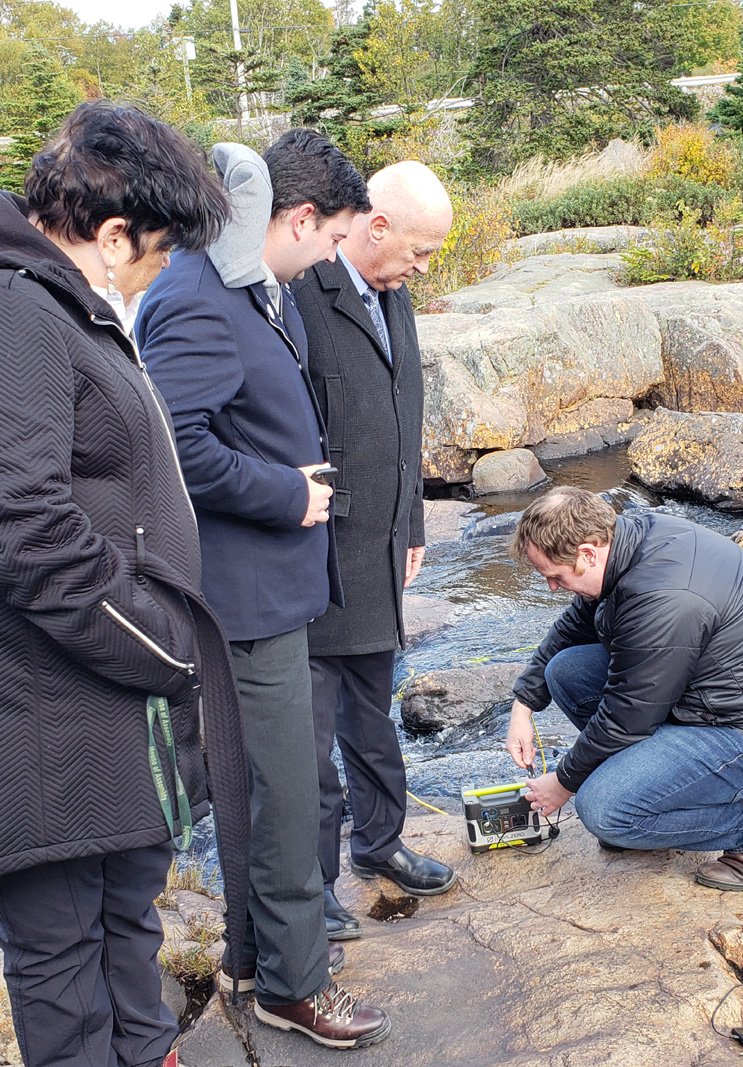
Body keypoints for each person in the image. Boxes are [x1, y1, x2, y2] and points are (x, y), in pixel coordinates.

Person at [0, 101, 251, 1067]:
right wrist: (160, 641)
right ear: (113, 236)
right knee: (63, 973)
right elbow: (21, 526)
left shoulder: (57, 305)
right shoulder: (21, 309)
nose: (159, 276)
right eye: (156, 255)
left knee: (127, 933)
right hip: (51, 731)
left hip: (109, 721)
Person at [137, 131, 391, 1049]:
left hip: (267, 596)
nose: (332, 259)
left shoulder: (240, 283)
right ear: (299, 217)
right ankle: (293, 985)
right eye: (330, 241)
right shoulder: (201, 297)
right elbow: (174, 445)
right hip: (238, 607)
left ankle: (258, 959)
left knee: (275, 787)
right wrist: (289, 492)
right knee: (284, 794)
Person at [292, 161, 455, 939]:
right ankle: (312, 885)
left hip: (385, 546)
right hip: (317, 554)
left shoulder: (395, 292)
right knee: (311, 739)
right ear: (375, 225)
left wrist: (414, 521)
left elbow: (403, 413)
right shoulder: (301, 288)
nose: (422, 269)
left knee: (374, 715)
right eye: (418, 252)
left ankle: (379, 844)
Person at [506, 486, 743, 891]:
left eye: (555, 576)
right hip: (701, 699)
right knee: (566, 671)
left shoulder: (665, 597)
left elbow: (628, 715)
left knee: (604, 810)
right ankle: (647, 798)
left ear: (587, 553)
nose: (552, 588)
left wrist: (563, 782)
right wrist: (523, 705)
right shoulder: (624, 542)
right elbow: (572, 629)